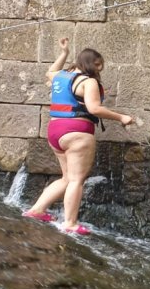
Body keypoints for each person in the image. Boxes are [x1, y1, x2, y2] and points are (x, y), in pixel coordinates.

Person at [23, 38, 135, 235]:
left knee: (67, 178)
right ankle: (70, 223)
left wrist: (64, 53)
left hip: (55, 131)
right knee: (76, 180)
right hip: (77, 132)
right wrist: (121, 117)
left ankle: (37, 210)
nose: (99, 70)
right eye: (98, 65)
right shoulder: (88, 82)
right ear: (90, 64)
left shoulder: (60, 77)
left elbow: (50, 71)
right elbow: (94, 109)